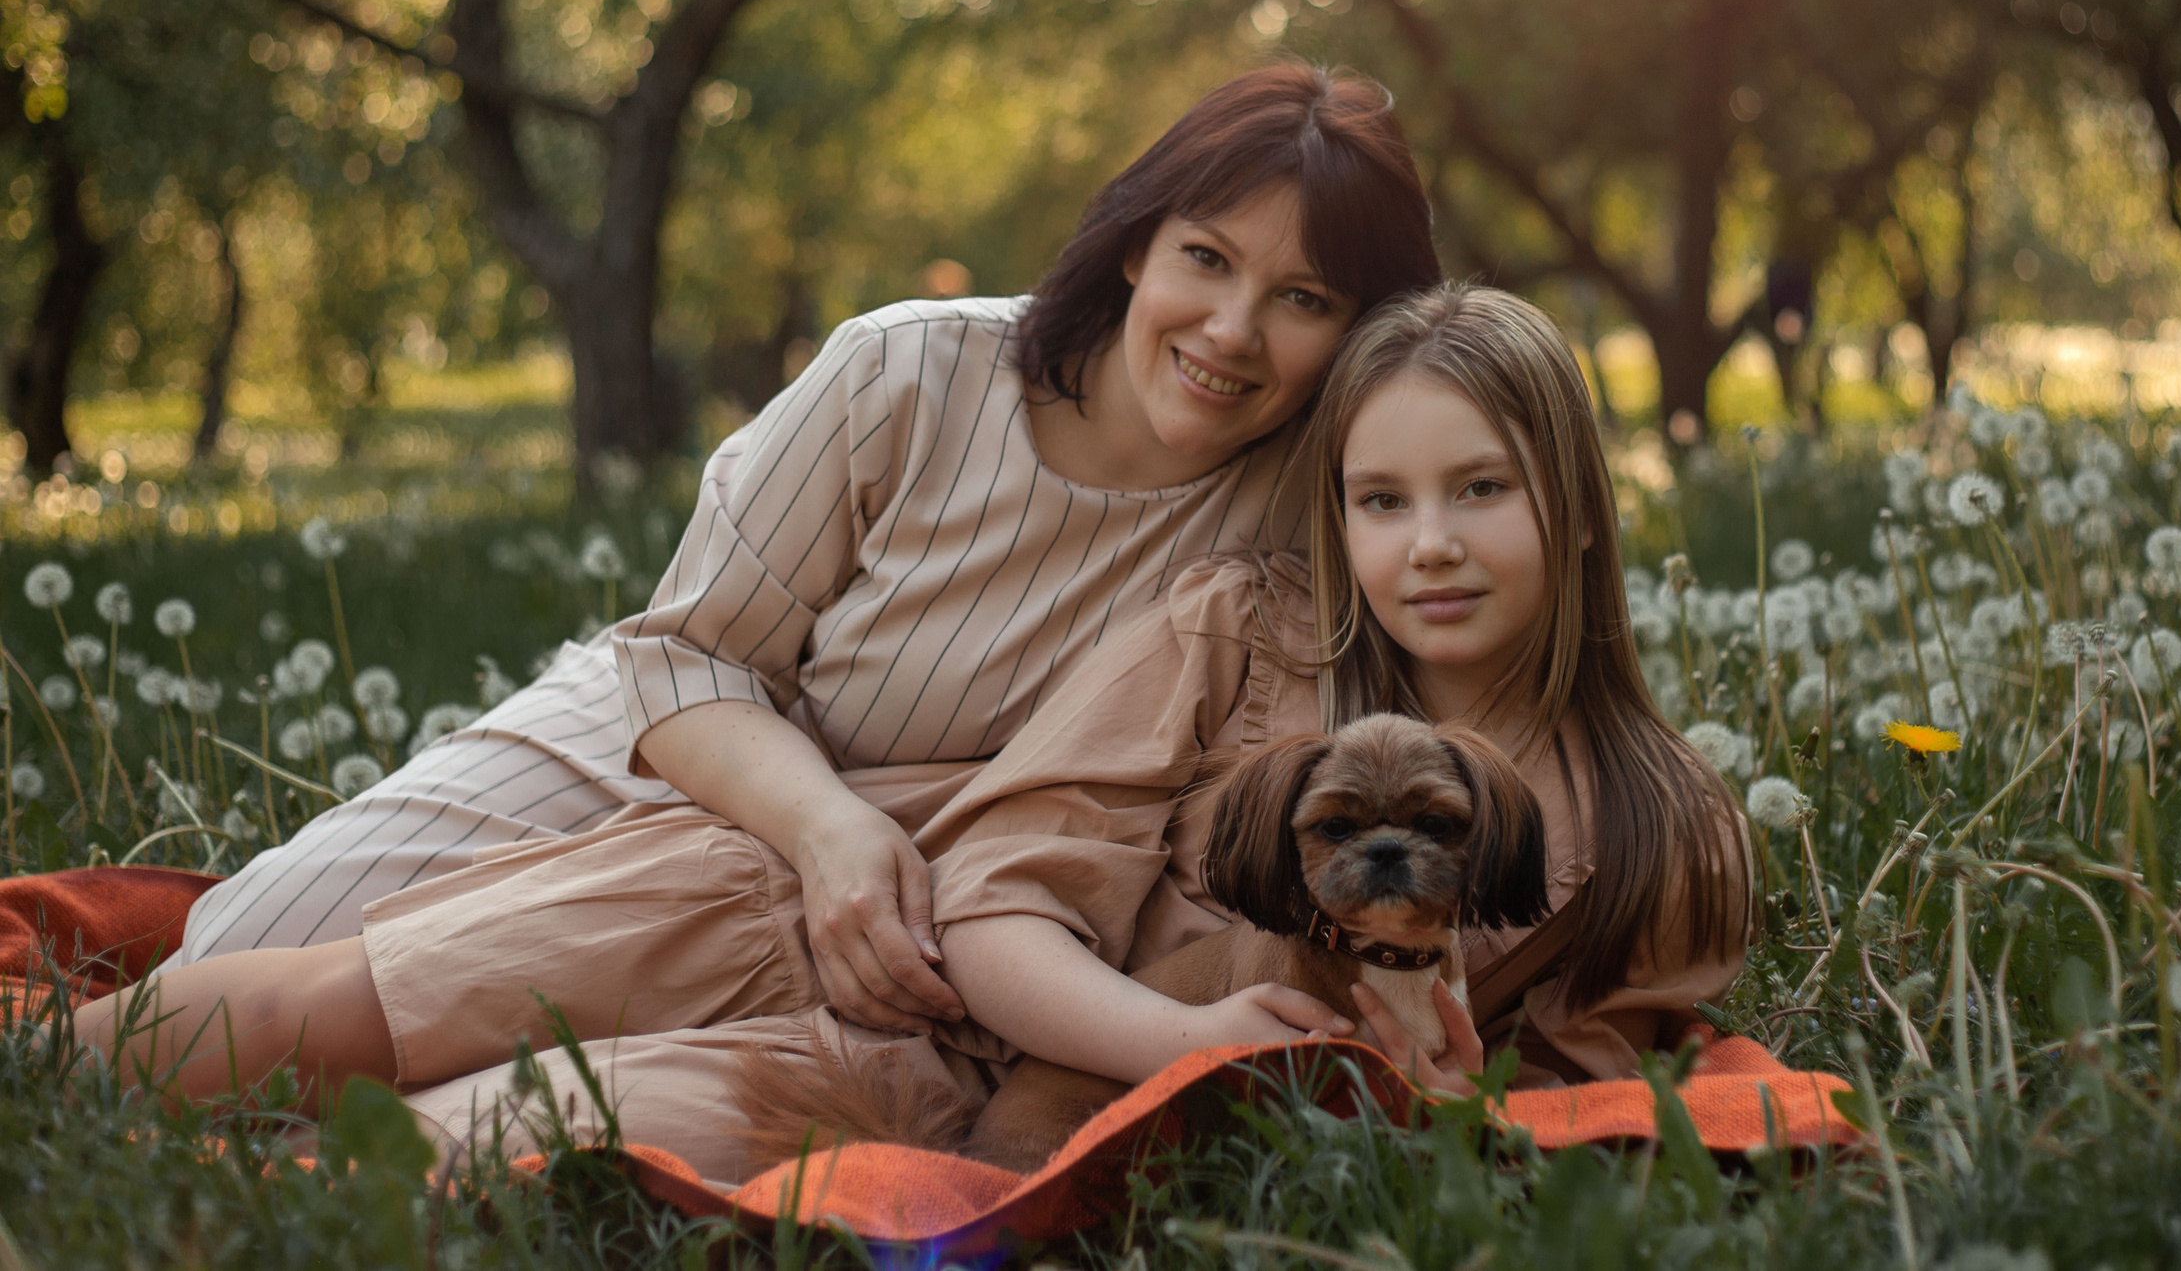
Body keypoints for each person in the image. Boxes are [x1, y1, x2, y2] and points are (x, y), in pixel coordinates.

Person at [88, 285, 1751, 1187]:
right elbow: (1001, 895)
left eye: (1483, 490)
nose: (1430, 544)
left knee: (469, 1147)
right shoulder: (1243, 633)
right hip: (803, 896)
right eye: (1382, 498)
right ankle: (56, 1087)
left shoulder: (1654, 830)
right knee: (343, 1006)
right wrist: (1193, 1045)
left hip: (909, 1077)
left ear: (1584, 514)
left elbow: (1579, 1100)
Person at [166, 61, 1441, 1046]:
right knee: (222, 964)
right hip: (675, 749)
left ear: (1357, 329)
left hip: (903, 884)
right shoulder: (910, 372)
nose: (1230, 329)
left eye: (1302, 299)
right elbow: (688, 663)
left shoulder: (1322, 503)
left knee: (441, 1053)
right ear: (1135, 246)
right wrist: (820, 825)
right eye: (1205, 261)